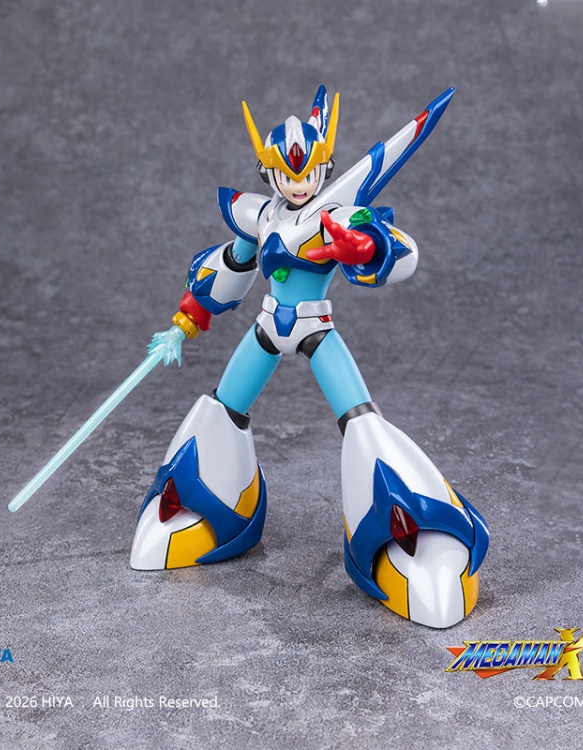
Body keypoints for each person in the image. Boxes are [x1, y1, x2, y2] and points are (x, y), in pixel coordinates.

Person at [130, 86, 488, 628]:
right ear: (269, 172)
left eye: (308, 174)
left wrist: (365, 247)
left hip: (316, 330)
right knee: (223, 408)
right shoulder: (258, 215)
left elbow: (398, 251)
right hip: (267, 327)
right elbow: (229, 269)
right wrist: (186, 320)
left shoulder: (337, 215)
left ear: (323, 169)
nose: (298, 185)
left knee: (361, 422)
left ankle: (405, 517)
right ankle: (224, 506)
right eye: (286, 175)